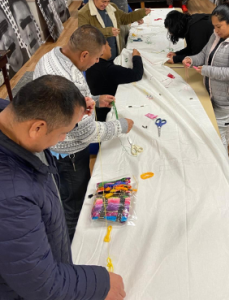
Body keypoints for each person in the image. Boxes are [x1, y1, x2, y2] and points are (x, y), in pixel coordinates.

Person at [0, 76, 127, 300]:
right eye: (63, 132)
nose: (65, 136)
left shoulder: (12, 115)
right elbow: (42, 286)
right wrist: (100, 282)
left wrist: (76, 109)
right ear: (37, 127)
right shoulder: (12, 198)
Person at [33, 25, 135, 240]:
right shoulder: (72, 81)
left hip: (53, 146)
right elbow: (88, 133)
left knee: (67, 192)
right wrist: (121, 126)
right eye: (96, 58)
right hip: (69, 152)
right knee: (75, 204)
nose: (97, 62)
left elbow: (67, 104)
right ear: (84, 54)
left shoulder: (50, 55)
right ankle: (73, 248)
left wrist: (96, 100)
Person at [183, 1, 229, 152]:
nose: (215, 30)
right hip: (215, 91)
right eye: (214, 26)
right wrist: (192, 59)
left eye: (219, 26)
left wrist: (207, 70)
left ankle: (222, 163)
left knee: (220, 132)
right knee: (213, 126)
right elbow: (204, 54)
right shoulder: (216, 35)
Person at [78, 0, 150, 60]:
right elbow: (84, 36)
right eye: (103, 1)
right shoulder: (83, 13)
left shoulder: (112, 7)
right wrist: (107, 32)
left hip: (115, 54)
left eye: (108, 1)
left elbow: (125, 18)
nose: (106, 4)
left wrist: (141, 13)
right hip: (98, 60)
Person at [86, 44, 144, 121]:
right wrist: (137, 57)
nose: (110, 47)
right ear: (102, 50)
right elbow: (137, 74)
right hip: (105, 115)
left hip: (98, 109)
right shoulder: (108, 70)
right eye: (108, 45)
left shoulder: (92, 65)